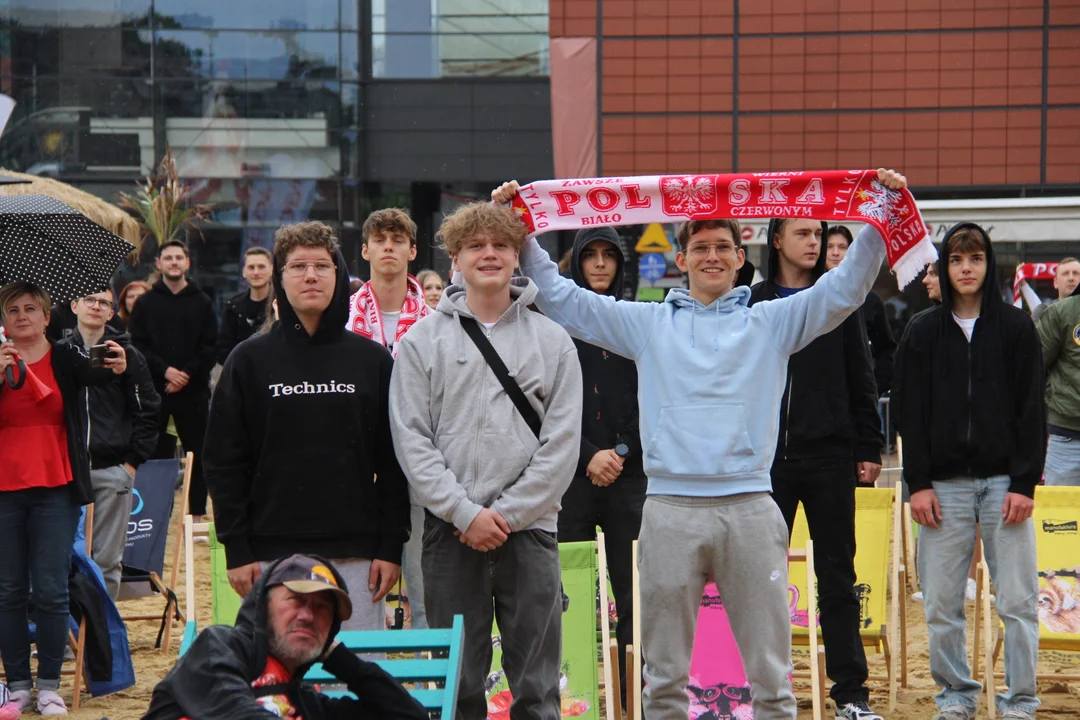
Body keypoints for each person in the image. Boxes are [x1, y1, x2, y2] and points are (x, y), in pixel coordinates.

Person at [493, 169, 907, 720]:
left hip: (751, 510)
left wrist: (878, 217)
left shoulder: (772, 322)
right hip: (667, 512)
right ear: (681, 260)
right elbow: (565, 301)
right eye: (700, 247)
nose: (712, 256)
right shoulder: (648, 325)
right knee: (662, 681)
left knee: (772, 682)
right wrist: (523, 233)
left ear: (741, 257)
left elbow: (845, 288)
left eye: (722, 247)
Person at [390, 202, 582, 720]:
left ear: (518, 254)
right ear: (455, 257)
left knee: (538, 690)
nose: (489, 254)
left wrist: (509, 514)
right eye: (475, 245)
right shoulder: (420, 342)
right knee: (456, 687)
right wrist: (463, 512)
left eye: (500, 244)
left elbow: (562, 448)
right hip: (448, 534)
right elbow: (412, 441)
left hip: (532, 532)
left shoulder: (554, 342)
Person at [205, 221, 409, 632]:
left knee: (355, 680)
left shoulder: (372, 362)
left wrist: (391, 547)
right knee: (281, 680)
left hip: (357, 554)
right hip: (270, 551)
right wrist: (237, 548)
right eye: (298, 267)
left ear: (339, 274)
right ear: (280, 279)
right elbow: (224, 462)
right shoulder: (248, 361)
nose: (311, 275)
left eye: (322, 265)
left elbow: (394, 462)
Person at [894, 223, 1044, 720]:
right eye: (957, 260)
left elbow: (1030, 409)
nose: (966, 269)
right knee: (940, 605)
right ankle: (956, 696)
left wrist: (1024, 482)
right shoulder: (922, 332)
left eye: (975, 259)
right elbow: (909, 414)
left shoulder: (1017, 328)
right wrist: (917, 485)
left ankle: (1020, 700)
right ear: (942, 267)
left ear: (988, 264)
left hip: (1005, 484)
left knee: (1019, 602)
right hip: (942, 486)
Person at [749, 219, 884, 720]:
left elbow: (861, 376)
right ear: (777, 240)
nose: (814, 242)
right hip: (765, 464)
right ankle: (762, 686)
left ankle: (851, 693)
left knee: (837, 581)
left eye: (818, 234)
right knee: (760, 580)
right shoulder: (751, 300)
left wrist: (867, 444)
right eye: (803, 233)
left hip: (829, 458)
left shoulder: (836, 300)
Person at [0, 281, 127, 717]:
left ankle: (50, 685)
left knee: (52, 591)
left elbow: (105, 369)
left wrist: (123, 361)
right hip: (3, 492)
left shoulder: (65, 356)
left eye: (30, 308)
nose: (21, 316)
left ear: (47, 316)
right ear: (3, 319)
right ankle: (17, 684)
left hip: (56, 488)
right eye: (12, 309)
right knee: (9, 591)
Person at [143, 554, 428, 720]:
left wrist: (336, 655)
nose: (307, 615)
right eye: (295, 600)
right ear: (263, 607)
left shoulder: (306, 702)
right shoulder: (220, 648)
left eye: (321, 608)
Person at [557, 227, 644, 709]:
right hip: (568, 476)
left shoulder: (636, 322)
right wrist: (588, 453)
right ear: (575, 262)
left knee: (632, 592)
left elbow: (654, 399)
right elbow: (547, 405)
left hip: (629, 476)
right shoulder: (555, 324)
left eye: (610, 255)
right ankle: (572, 696)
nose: (600, 263)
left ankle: (635, 696)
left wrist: (621, 451)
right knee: (567, 592)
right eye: (590, 254)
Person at [346, 209, 432, 629]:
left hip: (419, 467)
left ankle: (433, 687)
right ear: (365, 250)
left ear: (412, 251)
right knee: (359, 587)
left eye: (398, 240)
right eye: (379, 240)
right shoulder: (342, 319)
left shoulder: (437, 324)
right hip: (360, 465)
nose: (388, 247)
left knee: (425, 586)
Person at [65, 288, 161, 599]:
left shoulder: (129, 355)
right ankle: (69, 644)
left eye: (104, 303)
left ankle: (100, 640)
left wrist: (131, 461)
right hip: (66, 472)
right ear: (75, 305)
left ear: (111, 313)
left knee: (106, 562)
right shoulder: (59, 353)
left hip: (113, 469)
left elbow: (148, 407)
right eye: (89, 299)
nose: (96, 306)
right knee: (61, 560)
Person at [129, 240, 218, 519]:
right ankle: (156, 513)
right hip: (156, 389)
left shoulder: (203, 301)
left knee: (199, 452)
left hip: (193, 390)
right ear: (159, 264)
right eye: (168, 258)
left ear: (187, 263)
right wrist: (165, 371)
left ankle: (197, 512)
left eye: (179, 258)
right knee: (156, 454)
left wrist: (185, 374)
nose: (174, 263)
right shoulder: (145, 303)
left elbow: (210, 346)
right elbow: (138, 345)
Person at [826, 225, 897, 396]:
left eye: (842, 247)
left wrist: (875, 388)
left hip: (861, 397)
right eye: (829, 247)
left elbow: (886, 349)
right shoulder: (808, 296)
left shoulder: (870, 300)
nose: (835, 253)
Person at [1037, 280, 1080, 486]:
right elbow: (1034, 367)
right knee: (1062, 516)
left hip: (1065, 437)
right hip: (1067, 438)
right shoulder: (1063, 312)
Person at [216, 247, 272, 365]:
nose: (256, 272)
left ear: (271, 270)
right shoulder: (234, 306)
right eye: (251, 267)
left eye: (261, 267)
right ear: (244, 272)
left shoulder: (282, 304)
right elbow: (223, 349)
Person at [1032, 256, 1080, 324]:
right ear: (1055, 282)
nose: (1071, 278)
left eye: (1076, 273)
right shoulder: (1043, 311)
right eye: (1065, 273)